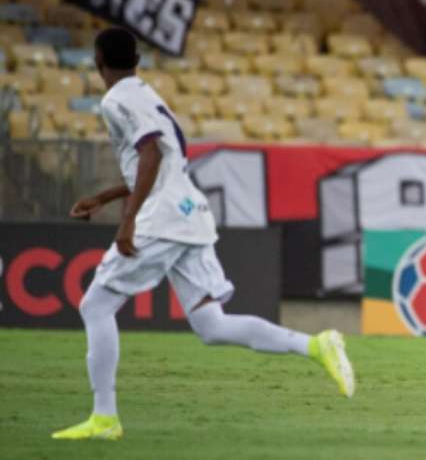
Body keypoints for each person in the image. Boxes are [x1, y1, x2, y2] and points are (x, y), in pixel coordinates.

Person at [52, 28, 355, 441]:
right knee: (211, 325)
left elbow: (153, 155)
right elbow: (163, 162)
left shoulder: (116, 99)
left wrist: (128, 219)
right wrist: (106, 196)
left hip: (163, 219)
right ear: (137, 60)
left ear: (97, 61)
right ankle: (317, 345)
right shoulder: (146, 93)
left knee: (95, 306)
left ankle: (104, 417)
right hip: (191, 212)